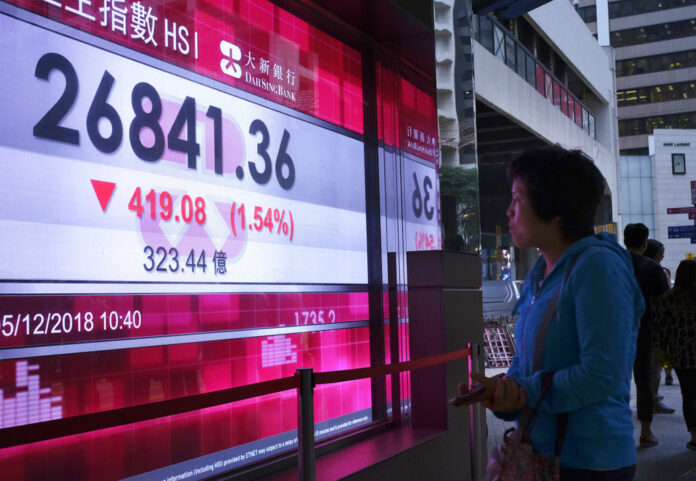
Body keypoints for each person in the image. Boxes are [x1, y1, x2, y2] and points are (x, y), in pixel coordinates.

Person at [461, 146, 644, 480]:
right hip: (542, 452)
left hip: (590, 462)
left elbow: (603, 373)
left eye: (517, 199)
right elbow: (530, 363)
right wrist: (504, 390)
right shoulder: (539, 274)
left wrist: (525, 391)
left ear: (555, 209)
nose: (508, 211)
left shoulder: (598, 268)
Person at [623, 225, 673, 449]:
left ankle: (619, 431)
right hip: (643, 330)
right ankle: (645, 433)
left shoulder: (616, 263)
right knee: (644, 381)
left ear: (625, 241)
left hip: (615, 330)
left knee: (618, 379)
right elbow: (664, 303)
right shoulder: (652, 268)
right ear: (645, 243)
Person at [655, 260, 696, 451]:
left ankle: (695, 436)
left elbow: (662, 330)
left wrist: (662, 353)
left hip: (682, 355)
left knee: (689, 395)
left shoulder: (668, 299)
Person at [643, 239, 675, 413]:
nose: (661, 259)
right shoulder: (655, 271)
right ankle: (652, 400)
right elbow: (664, 300)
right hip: (653, 326)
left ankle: (648, 400)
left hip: (639, 325)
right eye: (660, 255)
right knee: (654, 366)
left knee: (647, 368)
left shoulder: (631, 266)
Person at [661, 266, 675, 385]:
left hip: (675, 326)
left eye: (667, 274)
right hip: (665, 327)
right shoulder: (658, 288)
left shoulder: (675, 288)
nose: (666, 276)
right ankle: (668, 375)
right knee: (666, 355)